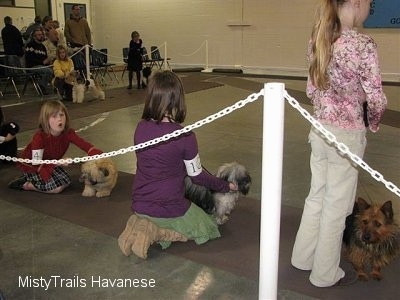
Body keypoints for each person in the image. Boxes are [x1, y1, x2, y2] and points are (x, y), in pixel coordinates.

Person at [291, 0, 387, 288]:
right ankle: (324, 273)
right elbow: (376, 99)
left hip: (319, 131)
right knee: (337, 207)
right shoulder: (363, 44)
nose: (370, 8)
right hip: (346, 137)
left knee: (316, 196)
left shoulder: (318, 37)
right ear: (356, 3)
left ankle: (302, 258)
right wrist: (374, 121)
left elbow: (311, 90)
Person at [131, 70, 238, 248]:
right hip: (169, 206)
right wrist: (226, 186)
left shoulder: (140, 128)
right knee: (209, 228)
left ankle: (142, 225)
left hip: (139, 203)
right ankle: (158, 233)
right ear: (177, 99)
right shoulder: (186, 136)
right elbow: (198, 177)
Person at [8, 100, 103, 193]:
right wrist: (58, 163)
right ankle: (26, 185)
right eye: (54, 116)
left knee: (66, 182)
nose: (59, 119)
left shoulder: (68, 133)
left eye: (61, 115)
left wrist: (97, 155)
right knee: (56, 188)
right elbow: (36, 162)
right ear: (46, 120)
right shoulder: (40, 137)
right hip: (33, 166)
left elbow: (88, 147)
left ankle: (33, 180)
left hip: (50, 164)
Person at [24, 28, 54, 94]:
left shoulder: (42, 46)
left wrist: (49, 61)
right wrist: (42, 62)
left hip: (42, 65)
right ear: (34, 37)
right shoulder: (30, 45)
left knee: (56, 68)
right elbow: (30, 59)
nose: (41, 36)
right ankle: (41, 86)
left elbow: (45, 57)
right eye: (39, 35)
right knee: (48, 71)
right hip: (33, 66)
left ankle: (58, 88)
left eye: (41, 34)